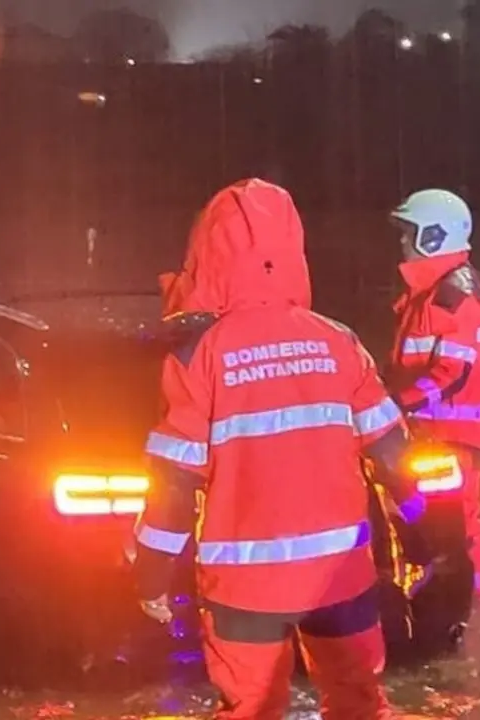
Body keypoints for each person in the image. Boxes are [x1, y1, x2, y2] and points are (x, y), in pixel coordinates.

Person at [133, 179, 438, 719]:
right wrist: (423, 543)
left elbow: (175, 481)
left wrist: (151, 577)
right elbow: (394, 457)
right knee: (359, 704)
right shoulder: (338, 340)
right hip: (340, 575)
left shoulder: (197, 355)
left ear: (205, 254)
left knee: (250, 709)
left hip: (243, 587)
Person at [388, 189, 480, 601]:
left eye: (409, 233)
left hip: (446, 433)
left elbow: (452, 372)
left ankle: (478, 608)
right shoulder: (435, 290)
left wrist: (398, 403)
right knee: (431, 517)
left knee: (457, 524)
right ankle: (459, 603)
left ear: (433, 236)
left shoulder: (454, 295)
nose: (402, 242)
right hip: (433, 431)